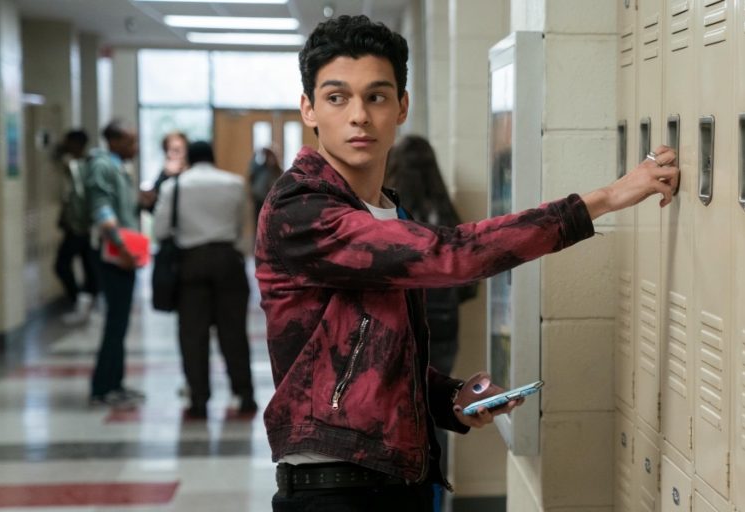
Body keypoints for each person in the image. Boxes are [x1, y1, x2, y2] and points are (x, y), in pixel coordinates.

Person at [256, 15, 678, 512]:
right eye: (336, 97)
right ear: (308, 109)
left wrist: (448, 396)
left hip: (391, 477)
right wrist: (605, 198)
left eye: (376, 96)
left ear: (401, 106)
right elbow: (454, 255)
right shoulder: (300, 211)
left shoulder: (383, 208)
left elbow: (357, 352)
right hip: (334, 486)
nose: (358, 116)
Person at [384, 135, 475, 511]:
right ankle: (436, 502)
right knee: (439, 415)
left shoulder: (392, 211)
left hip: (406, 327)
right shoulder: (446, 211)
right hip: (446, 327)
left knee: (399, 410)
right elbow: (468, 283)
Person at [152, 140, 256, 419]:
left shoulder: (174, 186)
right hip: (227, 261)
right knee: (233, 332)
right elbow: (242, 226)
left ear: (189, 158)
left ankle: (198, 399)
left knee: (193, 335)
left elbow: (160, 230)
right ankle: (244, 394)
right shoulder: (233, 183)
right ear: (213, 157)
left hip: (190, 264)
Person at [84, 120, 145, 408]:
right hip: (113, 255)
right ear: (115, 141)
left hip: (124, 251)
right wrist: (122, 249)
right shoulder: (102, 166)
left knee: (120, 323)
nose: (136, 146)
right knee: (114, 323)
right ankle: (101, 387)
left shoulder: (118, 166)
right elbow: (102, 210)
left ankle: (115, 383)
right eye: (131, 141)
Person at [53, 129, 99, 325]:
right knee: (88, 267)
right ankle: (84, 302)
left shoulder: (84, 166)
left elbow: (78, 199)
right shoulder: (73, 164)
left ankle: (82, 302)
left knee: (65, 265)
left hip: (81, 228)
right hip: (79, 226)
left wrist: (80, 224)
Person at [139, 131, 188, 212]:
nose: (169, 154)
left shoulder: (195, 175)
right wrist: (166, 175)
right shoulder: (165, 174)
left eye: (176, 150)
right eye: (167, 150)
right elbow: (153, 208)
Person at [249, 146, 284, 228]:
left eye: (272, 156)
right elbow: (252, 167)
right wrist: (257, 153)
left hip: (273, 202)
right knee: (258, 224)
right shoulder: (260, 169)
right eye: (268, 156)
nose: (270, 159)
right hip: (259, 201)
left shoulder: (278, 171)